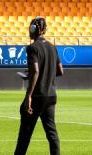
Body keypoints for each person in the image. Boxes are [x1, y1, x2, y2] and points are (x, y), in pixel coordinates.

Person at [14, 17, 63, 155]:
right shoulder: (52, 47)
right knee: (52, 134)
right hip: (51, 96)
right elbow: (60, 71)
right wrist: (45, 74)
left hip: (37, 96)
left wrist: (29, 95)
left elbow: (36, 71)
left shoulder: (32, 48)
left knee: (25, 134)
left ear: (33, 29)